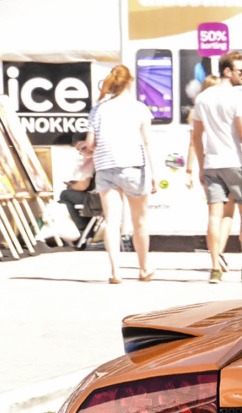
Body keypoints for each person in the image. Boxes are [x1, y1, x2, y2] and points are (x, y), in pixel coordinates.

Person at [191, 50, 242, 283]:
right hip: (236, 163)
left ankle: (215, 269)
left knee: (214, 215)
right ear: (227, 71)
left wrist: (201, 167)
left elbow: (196, 136)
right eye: (240, 71)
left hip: (212, 164)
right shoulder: (238, 97)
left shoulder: (202, 98)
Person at [84, 64, 157, 284]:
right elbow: (147, 142)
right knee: (140, 222)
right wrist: (154, 173)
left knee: (112, 221)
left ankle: (115, 272)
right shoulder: (139, 108)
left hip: (106, 167)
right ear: (130, 81)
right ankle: (144, 269)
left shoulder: (98, 109)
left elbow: (90, 143)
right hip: (134, 166)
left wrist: (83, 149)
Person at [184, 74, 220, 190]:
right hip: (211, 162)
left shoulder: (198, 111)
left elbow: (193, 144)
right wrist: (189, 171)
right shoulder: (197, 113)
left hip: (212, 162)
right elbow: (193, 143)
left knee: (216, 203)